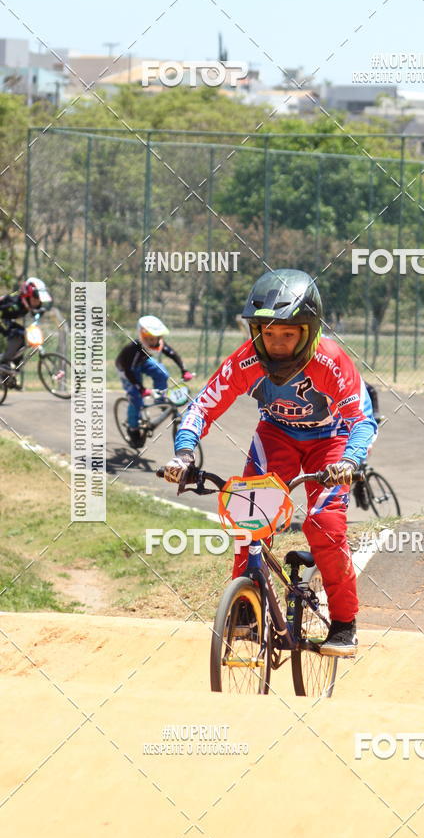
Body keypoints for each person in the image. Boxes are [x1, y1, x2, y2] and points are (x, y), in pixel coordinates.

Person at [161, 269, 378, 656]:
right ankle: (246, 607)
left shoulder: (330, 360)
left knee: (324, 525)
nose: (276, 344)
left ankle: (345, 623)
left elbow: (363, 420)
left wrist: (350, 459)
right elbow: (202, 407)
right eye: (267, 333)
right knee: (249, 518)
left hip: (333, 440)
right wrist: (184, 452)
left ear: (309, 332)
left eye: (288, 334)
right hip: (277, 435)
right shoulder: (247, 359)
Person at [115, 315, 193, 449]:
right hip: (127, 369)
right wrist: (141, 389)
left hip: (143, 362)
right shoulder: (133, 350)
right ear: (142, 336)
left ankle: (160, 399)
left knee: (162, 373)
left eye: (156, 338)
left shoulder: (158, 343)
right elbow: (128, 372)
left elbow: (172, 354)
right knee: (136, 398)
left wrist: (184, 370)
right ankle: (133, 428)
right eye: (149, 339)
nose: (153, 342)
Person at [0, 277, 53, 386]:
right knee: (17, 334)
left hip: (6, 319)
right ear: (27, 296)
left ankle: (9, 372)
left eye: (40, 299)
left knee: (23, 338)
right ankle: (4, 363)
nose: (38, 302)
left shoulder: (26, 304)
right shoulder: (14, 304)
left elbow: (33, 311)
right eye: (36, 298)